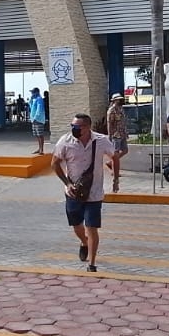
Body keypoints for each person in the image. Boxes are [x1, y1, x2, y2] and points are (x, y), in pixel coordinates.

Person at [51, 113, 122, 273]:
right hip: (73, 192)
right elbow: (54, 163)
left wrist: (116, 179)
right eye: (72, 126)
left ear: (87, 127)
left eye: (77, 126)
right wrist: (67, 183)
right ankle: (84, 242)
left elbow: (115, 157)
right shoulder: (65, 141)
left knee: (92, 227)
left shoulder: (101, 140)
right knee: (77, 225)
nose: (74, 129)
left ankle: (92, 263)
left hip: (94, 192)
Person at [105, 93, 128, 157]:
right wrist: (110, 135)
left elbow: (123, 121)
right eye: (118, 100)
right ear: (114, 100)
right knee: (115, 151)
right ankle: (114, 164)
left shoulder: (121, 108)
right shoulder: (112, 110)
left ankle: (111, 162)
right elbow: (109, 123)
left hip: (122, 133)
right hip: (116, 134)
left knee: (125, 150)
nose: (119, 101)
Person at [28, 88, 48, 154]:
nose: (32, 93)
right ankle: (39, 148)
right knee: (36, 134)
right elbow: (31, 107)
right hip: (33, 119)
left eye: (33, 92)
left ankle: (41, 149)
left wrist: (35, 118)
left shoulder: (39, 99)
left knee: (40, 135)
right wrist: (30, 100)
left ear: (36, 92)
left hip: (38, 119)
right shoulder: (34, 99)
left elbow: (39, 109)